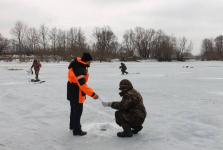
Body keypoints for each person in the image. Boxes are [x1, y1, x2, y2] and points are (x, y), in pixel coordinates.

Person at [67, 52, 99, 136]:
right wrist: (93, 94)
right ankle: (77, 130)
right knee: (77, 111)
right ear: (86, 61)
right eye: (89, 62)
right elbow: (83, 86)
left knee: (73, 110)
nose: (90, 64)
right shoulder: (79, 70)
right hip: (76, 91)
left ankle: (72, 126)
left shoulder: (77, 64)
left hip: (72, 89)